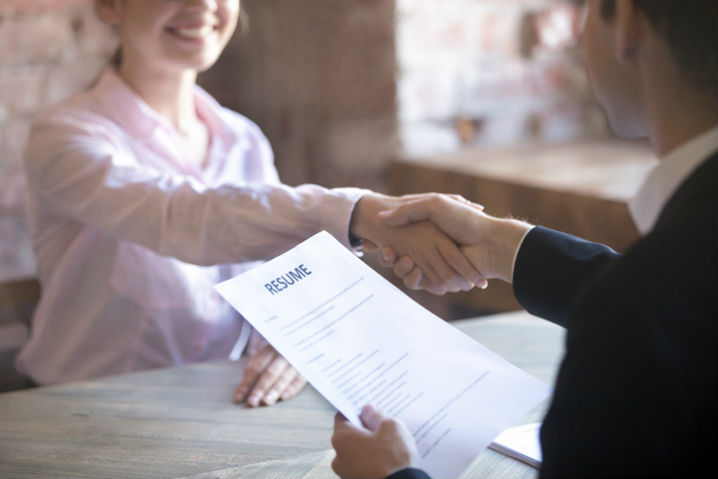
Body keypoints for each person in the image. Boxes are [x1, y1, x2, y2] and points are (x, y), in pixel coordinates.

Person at [17, 0, 485, 407]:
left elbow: (287, 276)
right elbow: (177, 216)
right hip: (78, 409)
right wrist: (362, 214)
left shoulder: (242, 140)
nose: (202, 4)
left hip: (218, 406)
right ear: (110, 5)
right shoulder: (65, 137)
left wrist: (292, 340)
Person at [331, 0, 717, 476]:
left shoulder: (632, 317)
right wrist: (501, 245)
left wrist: (394, 476)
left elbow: (655, 307)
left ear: (629, 25)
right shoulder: (671, 281)